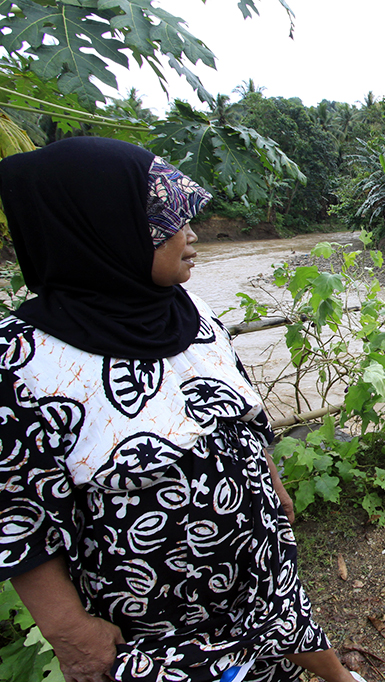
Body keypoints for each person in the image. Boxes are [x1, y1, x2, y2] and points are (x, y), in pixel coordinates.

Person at [0, 138, 357, 682]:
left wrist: (275, 488)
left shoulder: (193, 311)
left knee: (286, 641)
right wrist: (69, 631)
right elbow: (16, 513)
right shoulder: (22, 360)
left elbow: (245, 417)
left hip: (259, 566)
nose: (190, 238)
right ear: (102, 229)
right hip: (156, 622)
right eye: (167, 224)